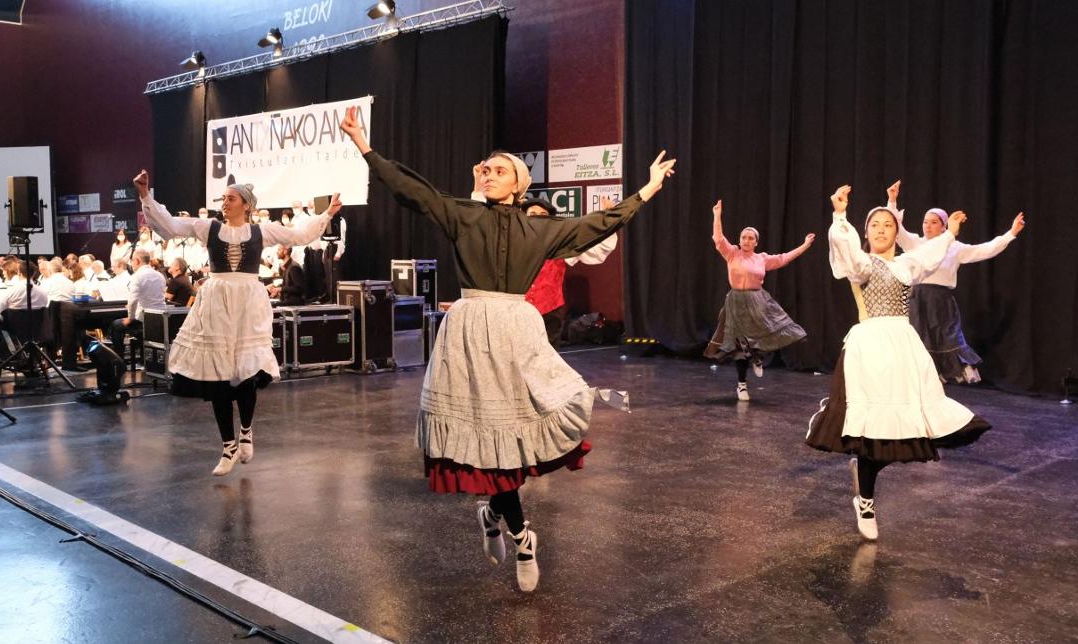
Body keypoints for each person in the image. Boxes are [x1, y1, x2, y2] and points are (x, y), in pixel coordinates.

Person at [339, 108, 675, 592]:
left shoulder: (540, 229)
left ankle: (506, 525)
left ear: (519, 184)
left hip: (516, 333)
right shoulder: (464, 215)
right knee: (483, 446)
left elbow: (600, 223)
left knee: (508, 442)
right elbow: (412, 190)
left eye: (499, 169)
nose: (488, 174)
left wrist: (647, 189)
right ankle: (521, 537)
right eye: (485, 169)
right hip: (469, 335)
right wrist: (363, 145)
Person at [806, 185, 992, 541]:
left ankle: (864, 482)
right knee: (870, 430)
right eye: (874, 225)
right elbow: (844, 250)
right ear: (866, 231)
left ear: (897, 232)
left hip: (903, 347)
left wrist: (950, 233)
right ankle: (866, 500)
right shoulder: (862, 264)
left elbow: (931, 254)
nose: (880, 229)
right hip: (868, 348)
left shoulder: (908, 264)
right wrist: (840, 215)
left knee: (907, 428)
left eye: (887, 224)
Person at [133, 169, 339, 476]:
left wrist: (327, 214)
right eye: (224, 198)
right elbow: (171, 226)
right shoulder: (209, 227)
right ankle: (228, 446)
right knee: (217, 376)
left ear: (246, 204)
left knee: (246, 373)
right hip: (216, 304)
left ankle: (246, 431)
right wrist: (145, 195)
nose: (225, 203)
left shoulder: (261, 231)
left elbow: (299, 235)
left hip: (247, 304)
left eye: (231, 198)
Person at [882, 181, 1025, 384]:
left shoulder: (955, 248)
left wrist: (1010, 234)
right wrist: (892, 200)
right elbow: (895, 229)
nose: (928, 226)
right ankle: (926, 378)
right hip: (917, 299)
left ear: (944, 226)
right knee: (919, 339)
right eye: (925, 222)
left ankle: (953, 371)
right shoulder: (915, 243)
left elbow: (985, 250)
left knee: (948, 336)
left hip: (941, 300)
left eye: (934, 222)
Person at [703, 199, 814, 401]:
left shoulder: (762, 258)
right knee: (739, 346)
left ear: (756, 242)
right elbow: (718, 238)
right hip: (736, 303)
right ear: (740, 240)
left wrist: (805, 245)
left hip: (757, 301)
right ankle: (742, 385)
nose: (746, 241)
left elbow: (784, 258)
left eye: (750, 238)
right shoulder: (732, 253)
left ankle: (757, 357)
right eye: (743, 237)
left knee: (761, 336)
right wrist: (717, 215)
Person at [520, 194, 619, 347]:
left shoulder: (562, 244)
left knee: (548, 356)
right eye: (532, 214)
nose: (537, 218)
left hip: (550, 313)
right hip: (518, 312)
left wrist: (609, 220)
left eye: (543, 214)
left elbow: (598, 251)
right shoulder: (513, 241)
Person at [110, 249, 165, 354]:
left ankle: (119, 358)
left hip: (144, 320)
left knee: (115, 325)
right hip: (160, 319)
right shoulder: (159, 275)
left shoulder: (137, 276)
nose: (131, 263)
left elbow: (133, 300)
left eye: (132, 260)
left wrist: (130, 318)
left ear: (137, 261)